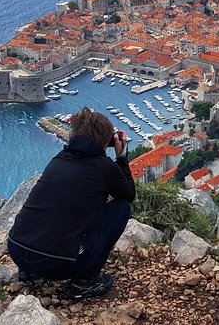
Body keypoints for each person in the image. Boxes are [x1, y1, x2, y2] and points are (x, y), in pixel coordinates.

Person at [8, 107, 134, 299]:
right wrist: (122, 156)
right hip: (57, 264)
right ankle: (85, 281)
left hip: (17, 250)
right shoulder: (104, 167)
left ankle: (30, 271)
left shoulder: (58, 160)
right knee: (122, 209)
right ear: (105, 141)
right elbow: (127, 195)